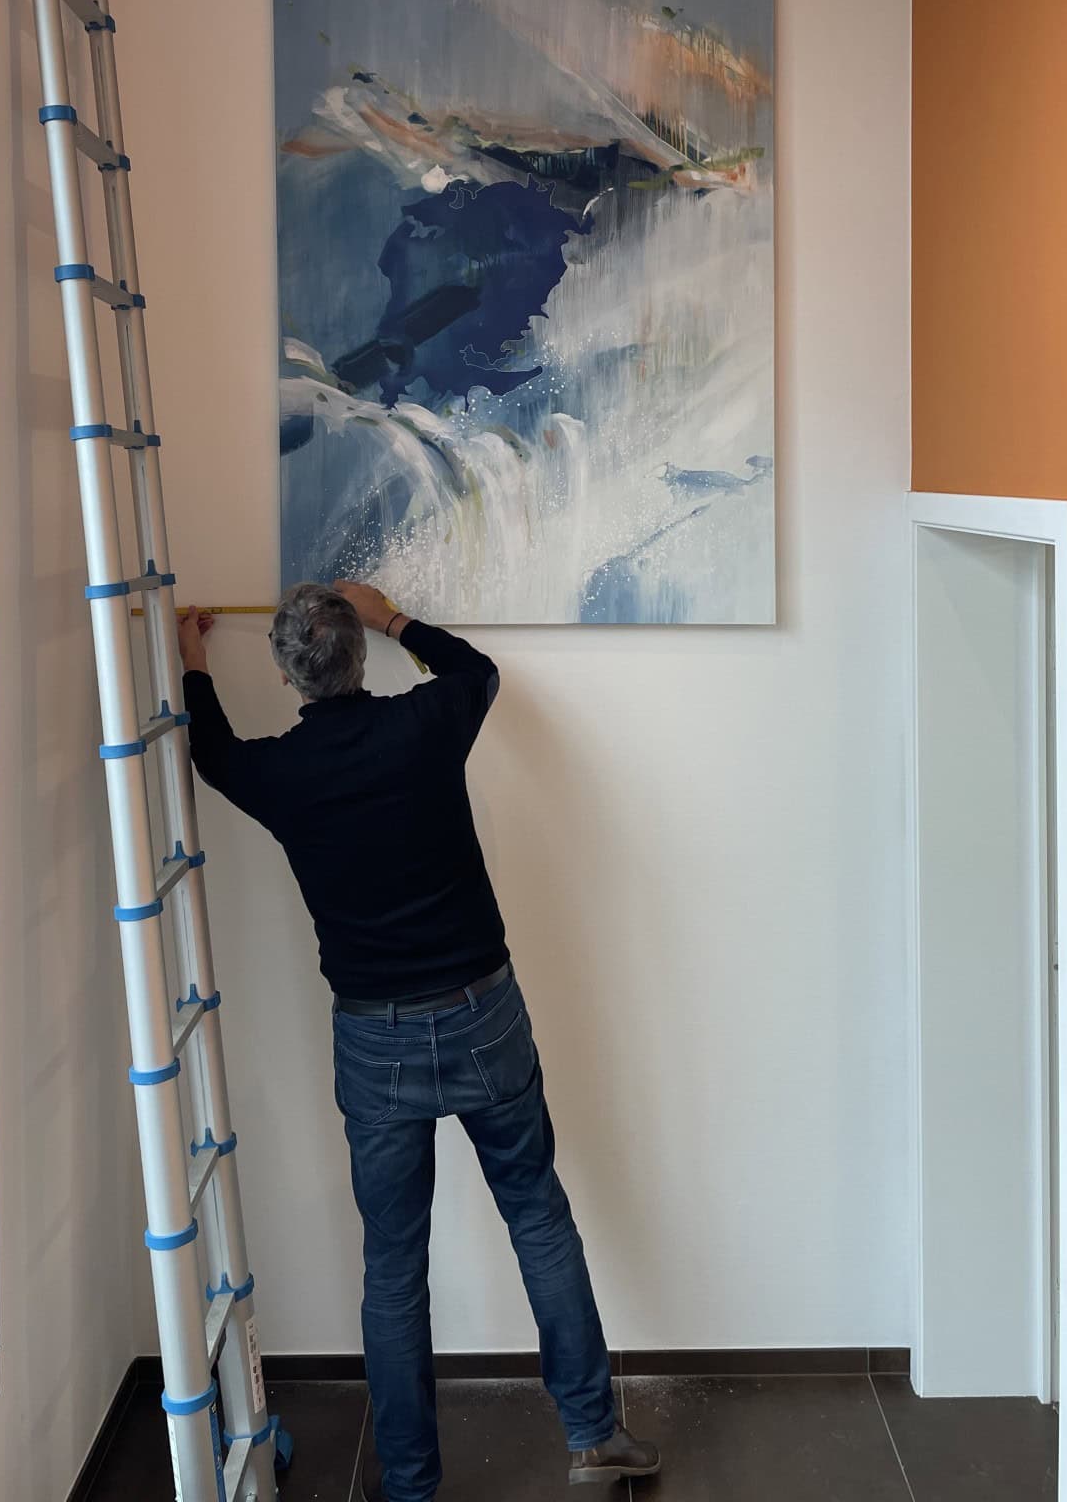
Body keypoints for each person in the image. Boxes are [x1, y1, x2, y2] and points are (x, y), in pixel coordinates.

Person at [177, 581, 660, 1500]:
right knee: (538, 1216)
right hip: (483, 1015)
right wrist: (392, 616)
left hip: (375, 1039)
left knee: (393, 1265)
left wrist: (194, 661)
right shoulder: (423, 724)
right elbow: (476, 672)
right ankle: (594, 1435)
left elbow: (213, 754)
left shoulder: (284, 772)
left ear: (285, 673)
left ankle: (408, 1485)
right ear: (360, 657)